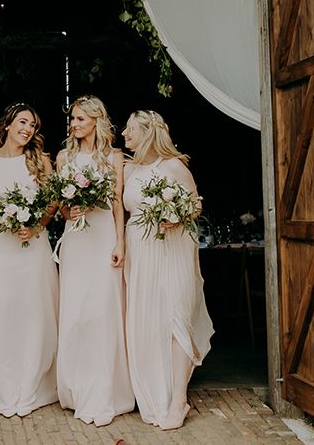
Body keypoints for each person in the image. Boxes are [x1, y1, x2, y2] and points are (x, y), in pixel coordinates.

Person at [122, 110, 214, 430]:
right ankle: (153, 389)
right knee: (147, 320)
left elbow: (195, 204)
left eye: (131, 129)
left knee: (176, 318)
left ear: (148, 132)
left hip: (173, 249)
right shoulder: (128, 168)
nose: (124, 134)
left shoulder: (173, 166)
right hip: (140, 250)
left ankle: (179, 401)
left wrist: (176, 217)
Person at [55, 95, 134, 426]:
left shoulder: (114, 157)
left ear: (96, 121)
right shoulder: (63, 157)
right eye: (73, 119)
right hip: (76, 239)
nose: (74, 124)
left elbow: (116, 202)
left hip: (103, 237)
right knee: (76, 312)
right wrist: (68, 210)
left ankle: (105, 390)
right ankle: (75, 388)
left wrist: (120, 242)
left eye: (80, 119)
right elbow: (60, 204)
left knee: (102, 310)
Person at [0, 103, 58, 417]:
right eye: (23, 122)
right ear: (8, 124)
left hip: (33, 247)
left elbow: (53, 200)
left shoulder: (40, 160)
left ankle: (31, 386)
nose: (27, 129)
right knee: (3, 312)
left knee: (33, 313)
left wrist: (37, 224)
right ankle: (5, 388)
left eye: (32, 125)